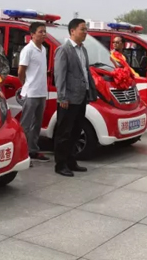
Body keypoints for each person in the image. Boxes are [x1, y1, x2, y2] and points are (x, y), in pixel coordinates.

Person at [53, 18, 97, 177]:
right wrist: (62, 97)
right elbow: (60, 76)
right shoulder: (63, 50)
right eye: (82, 29)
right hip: (68, 99)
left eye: (86, 30)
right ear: (72, 31)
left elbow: (86, 72)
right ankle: (60, 164)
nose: (85, 32)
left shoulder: (83, 50)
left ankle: (71, 161)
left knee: (76, 131)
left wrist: (90, 91)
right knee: (64, 132)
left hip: (81, 97)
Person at [18, 22, 50, 164]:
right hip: (30, 93)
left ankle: (33, 150)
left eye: (44, 31)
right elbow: (21, 71)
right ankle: (21, 154)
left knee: (37, 125)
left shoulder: (43, 49)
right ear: (32, 34)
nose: (44, 34)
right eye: (41, 31)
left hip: (41, 92)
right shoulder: (28, 50)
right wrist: (25, 84)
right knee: (25, 125)